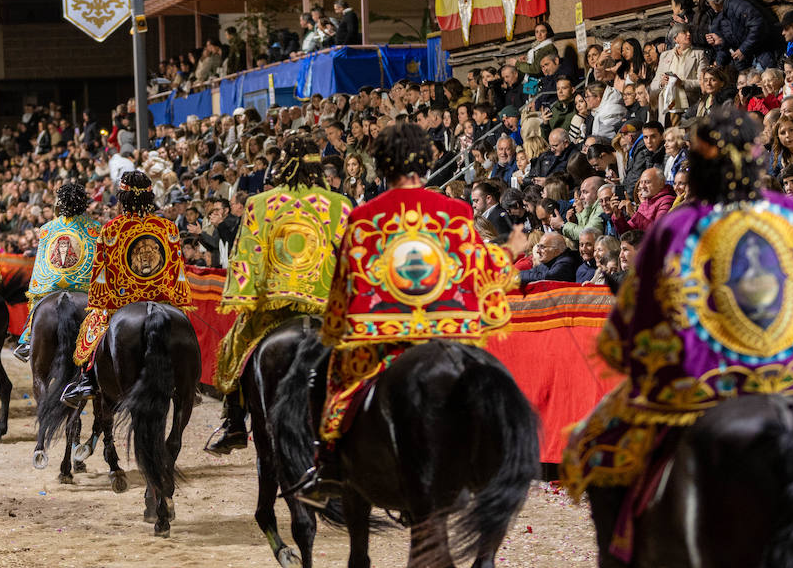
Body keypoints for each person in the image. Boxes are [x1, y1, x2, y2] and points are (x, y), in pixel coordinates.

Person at [562, 106, 793, 568]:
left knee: (594, 438)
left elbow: (639, 324)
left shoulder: (679, 226)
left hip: (705, 392)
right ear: (758, 156)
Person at [291, 122, 519, 503]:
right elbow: (480, 275)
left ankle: (327, 464)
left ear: (383, 166)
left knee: (322, 377)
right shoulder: (456, 211)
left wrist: (338, 326)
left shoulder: (365, 215)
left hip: (384, 342)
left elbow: (346, 286)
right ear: (425, 165)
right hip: (443, 336)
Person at [206, 134, 351, 455]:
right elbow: (349, 259)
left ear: (284, 164)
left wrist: (245, 299)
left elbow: (247, 255)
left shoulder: (261, 203)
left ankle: (234, 422)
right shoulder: (340, 203)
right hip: (326, 309)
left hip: (273, 308)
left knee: (235, 347)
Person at [60, 169, 193, 406]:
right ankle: (189, 384)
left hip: (122, 302)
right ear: (149, 198)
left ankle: (87, 380)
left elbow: (101, 275)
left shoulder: (111, 229)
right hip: (163, 300)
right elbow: (176, 269)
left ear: (122, 199)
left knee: (91, 328)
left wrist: (102, 305)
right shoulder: (169, 228)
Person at [15, 182, 102, 362]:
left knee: (38, 302)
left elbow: (41, 266)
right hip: (84, 288)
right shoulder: (95, 227)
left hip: (52, 284)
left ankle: (28, 339)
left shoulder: (47, 228)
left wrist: (40, 286)